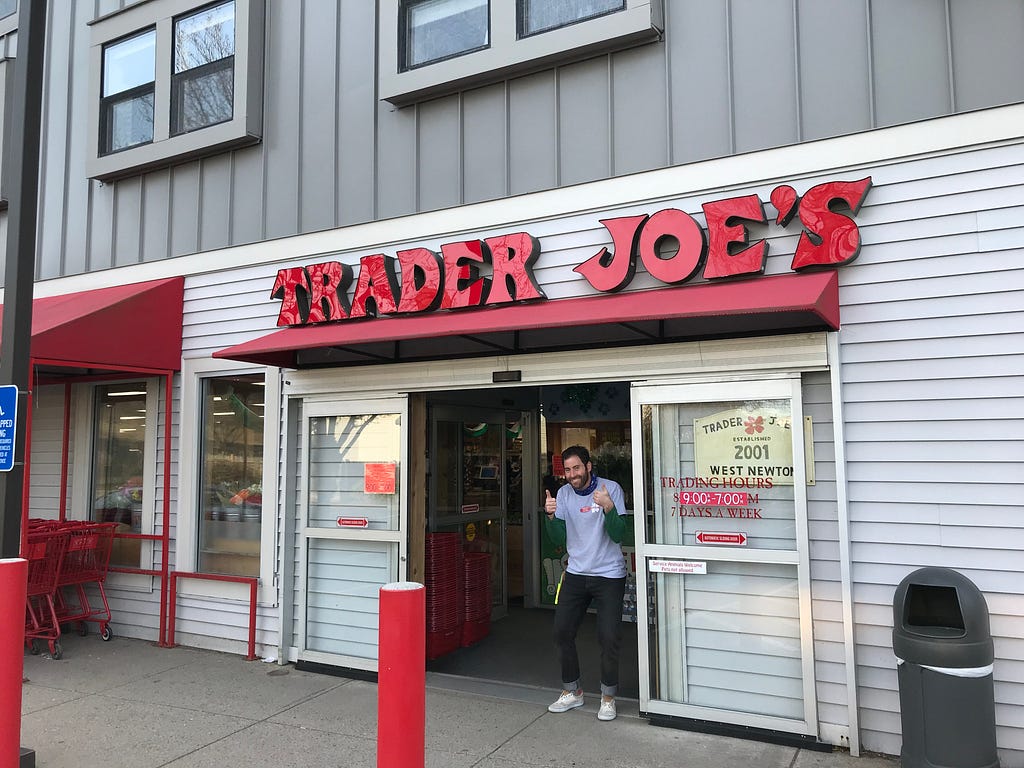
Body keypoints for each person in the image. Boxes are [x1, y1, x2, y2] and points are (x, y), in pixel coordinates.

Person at [543, 445, 628, 722]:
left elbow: (619, 535)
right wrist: (551, 516)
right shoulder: (564, 494)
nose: (572, 475)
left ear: (589, 466)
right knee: (561, 632)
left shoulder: (610, 489)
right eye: (567, 470)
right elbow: (558, 539)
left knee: (608, 637)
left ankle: (607, 697)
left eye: (577, 468)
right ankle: (573, 692)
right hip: (577, 573)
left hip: (609, 575)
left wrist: (608, 508)